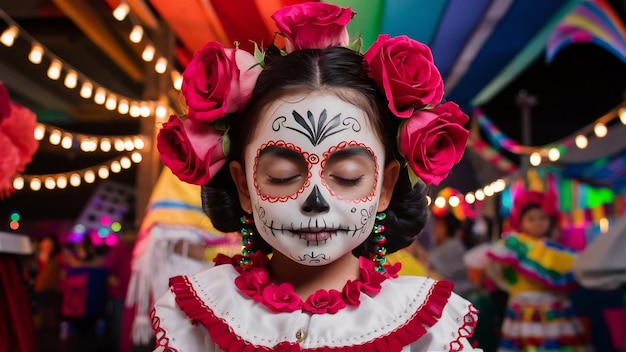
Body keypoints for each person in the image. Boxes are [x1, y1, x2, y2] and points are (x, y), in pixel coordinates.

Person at [151, 2, 479, 351]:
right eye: (282, 175)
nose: (316, 201)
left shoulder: (428, 330)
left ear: (385, 185)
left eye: (348, 176)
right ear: (244, 185)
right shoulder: (199, 317)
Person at [486, 190, 592, 351]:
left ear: (551, 220)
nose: (537, 223)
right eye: (531, 219)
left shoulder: (557, 250)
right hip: (524, 308)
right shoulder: (514, 246)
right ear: (520, 222)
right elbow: (493, 269)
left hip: (554, 310)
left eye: (543, 218)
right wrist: (509, 286)